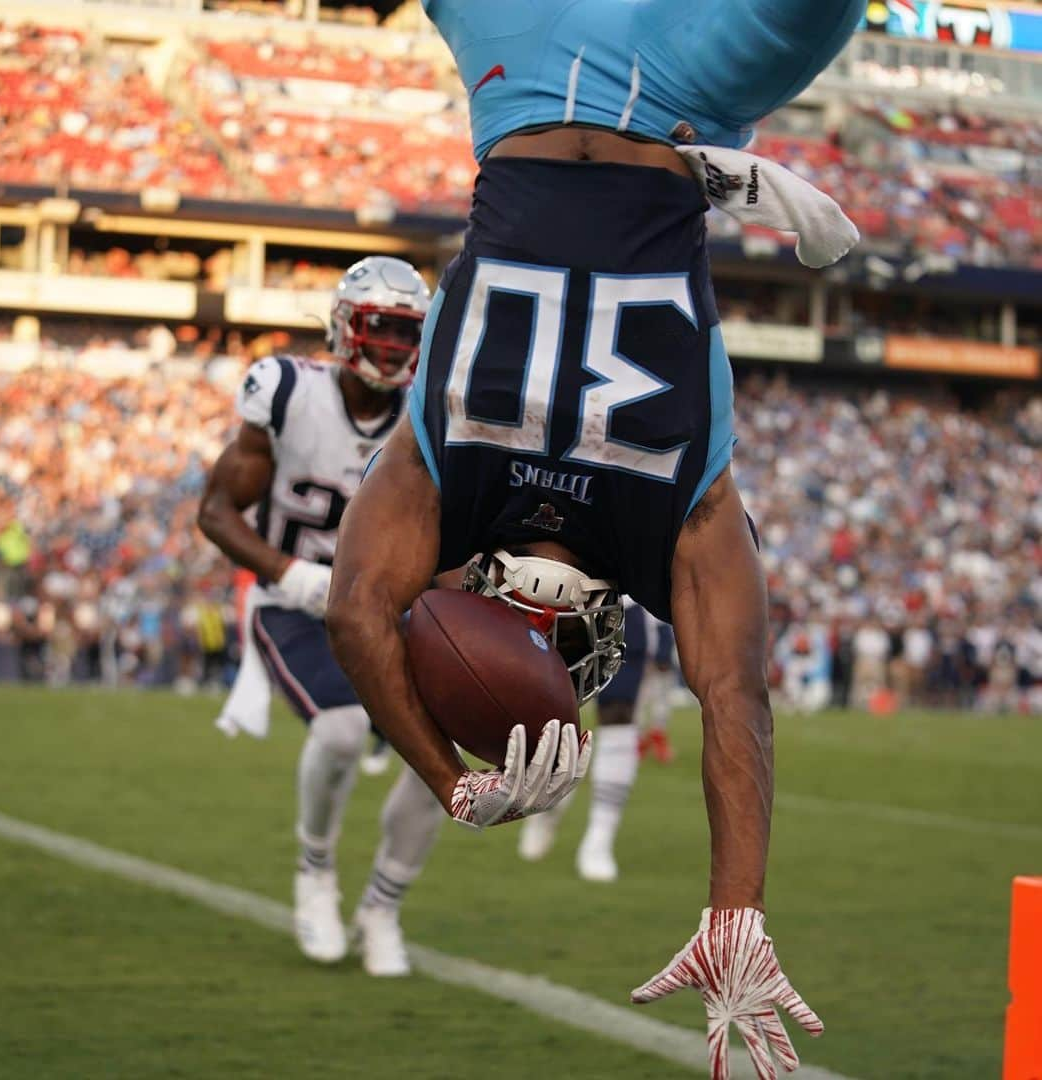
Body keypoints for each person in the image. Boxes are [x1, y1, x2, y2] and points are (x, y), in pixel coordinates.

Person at [327, 3, 865, 1075]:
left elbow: (355, 611)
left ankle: (723, 177)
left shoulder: (449, 490)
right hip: (678, 91)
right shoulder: (671, 529)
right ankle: (719, 173)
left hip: (517, 66)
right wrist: (735, 914)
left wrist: (453, 785)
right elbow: (734, 696)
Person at [198, 256, 445, 977]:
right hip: (297, 603)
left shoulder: (433, 414)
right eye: (381, 330)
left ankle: (383, 908)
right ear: (344, 327)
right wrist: (292, 575)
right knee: (340, 732)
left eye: (408, 334)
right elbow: (216, 512)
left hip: (390, 609)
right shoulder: (283, 392)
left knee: (447, 759)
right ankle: (314, 872)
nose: (395, 349)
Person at [517, 600, 671, 882]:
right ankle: (549, 801)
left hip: (628, 602)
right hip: (567, 594)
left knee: (620, 716)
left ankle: (599, 839)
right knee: (552, 712)